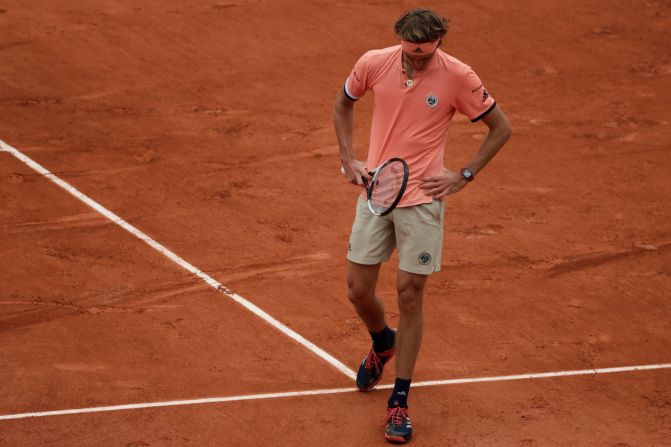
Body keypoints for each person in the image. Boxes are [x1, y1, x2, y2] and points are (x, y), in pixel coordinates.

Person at [332, 8, 512, 444]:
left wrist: (463, 175)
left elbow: (500, 128)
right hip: (377, 192)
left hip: (424, 202)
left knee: (410, 293)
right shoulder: (373, 62)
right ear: (400, 41)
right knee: (358, 290)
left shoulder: (458, 75)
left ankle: (399, 400)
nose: (417, 61)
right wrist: (347, 158)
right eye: (411, 54)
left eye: (425, 55)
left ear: (438, 44)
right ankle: (383, 342)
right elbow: (343, 103)